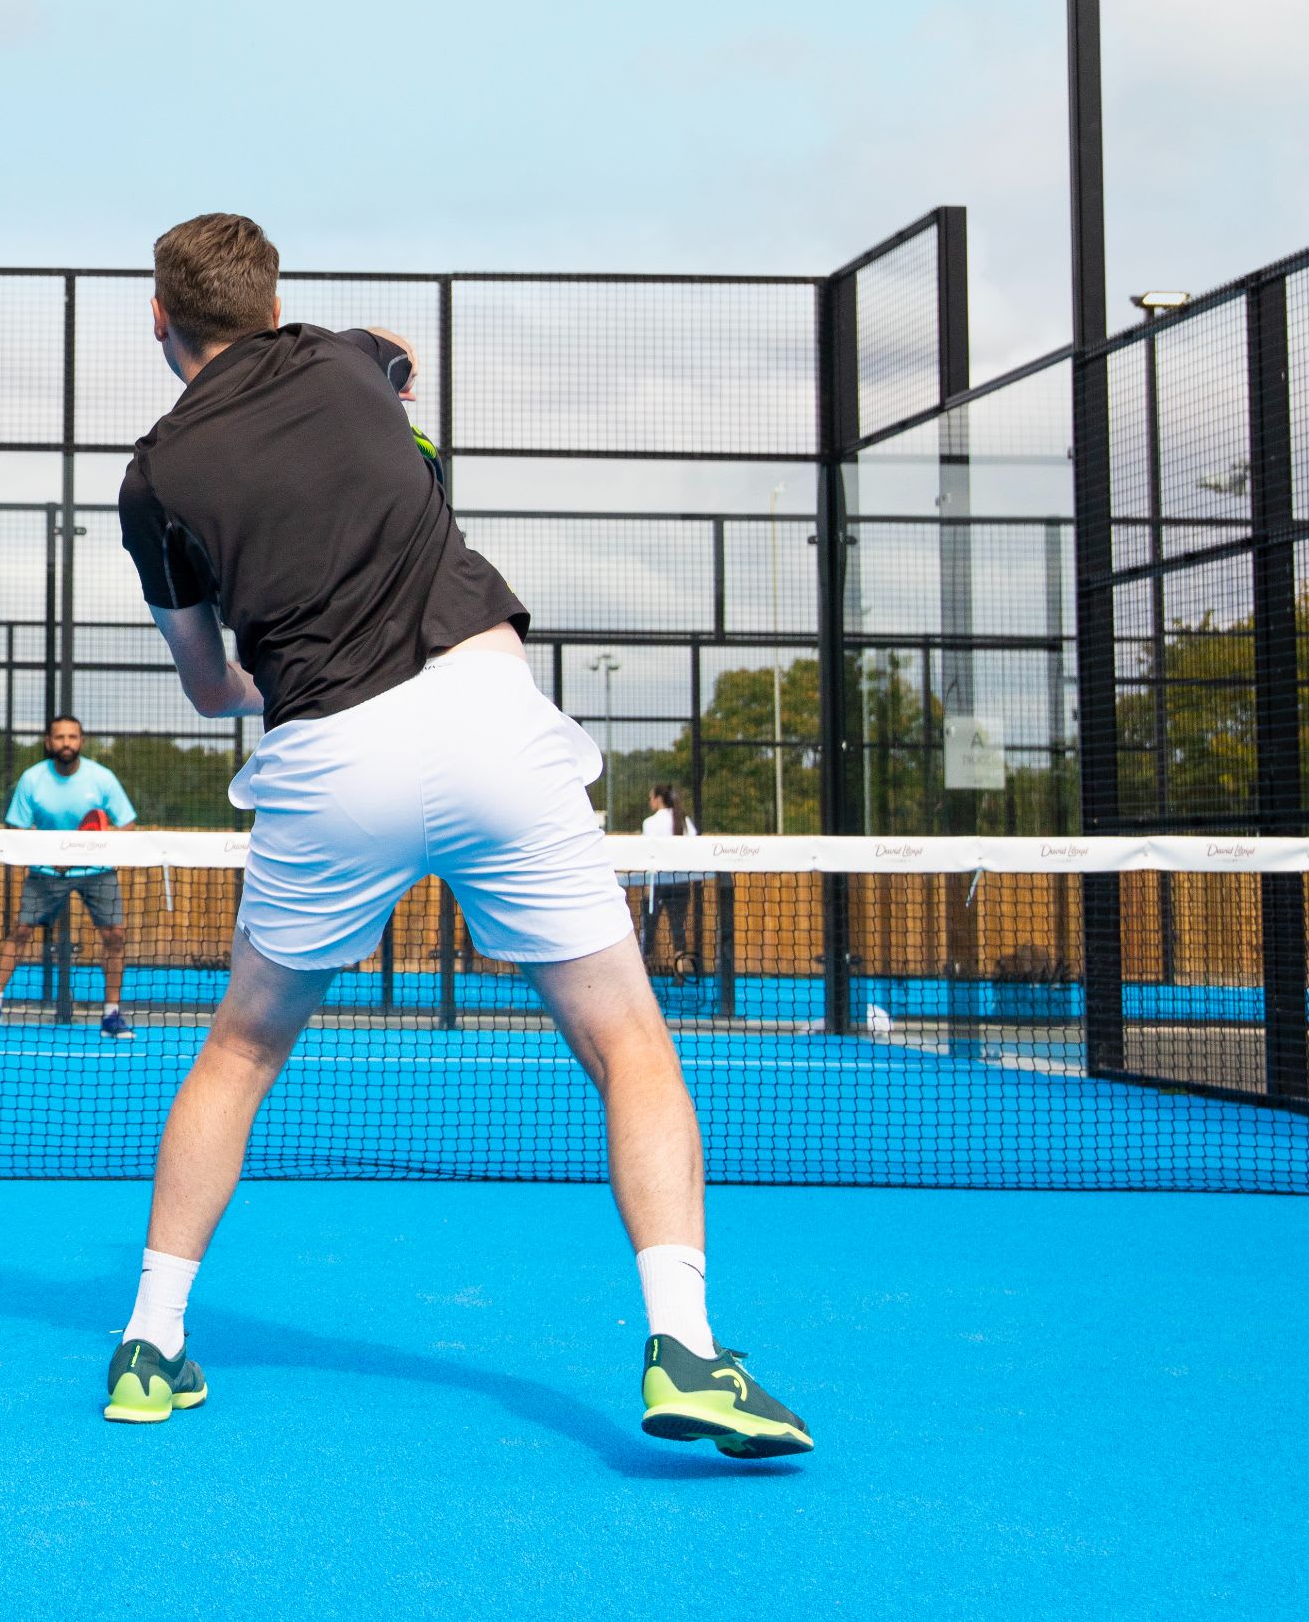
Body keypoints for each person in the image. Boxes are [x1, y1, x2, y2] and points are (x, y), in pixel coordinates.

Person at [95, 212, 807, 1459]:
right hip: (490, 719)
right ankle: (687, 1350)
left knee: (240, 1051)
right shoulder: (343, 357)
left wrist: (309, 668)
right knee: (630, 1043)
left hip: (325, 755)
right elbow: (396, 352)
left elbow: (212, 691)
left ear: (160, 319)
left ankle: (150, 1346)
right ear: (273, 304)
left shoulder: (151, 480)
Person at [0, 716, 141, 1038]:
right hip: (46, 871)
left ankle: (112, 1014)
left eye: (72, 737)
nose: (66, 743)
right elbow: (17, 829)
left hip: (96, 871)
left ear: (81, 741)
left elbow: (127, 822)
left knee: (115, 937)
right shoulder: (32, 780)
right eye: (60, 737)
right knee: (19, 932)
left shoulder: (101, 779)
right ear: (49, 742)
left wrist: (99, 849)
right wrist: (48, 856)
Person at [637, 784, 708, 975]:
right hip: (680, 882)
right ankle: (679, 972)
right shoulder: (685, 822)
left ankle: (644, 972)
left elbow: (648, 855)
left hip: (657, 883)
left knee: (648, 928)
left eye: (651, 797)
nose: (650, 801)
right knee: (678, 927)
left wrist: (647, 884)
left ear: (658, 799)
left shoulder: (650, 823)